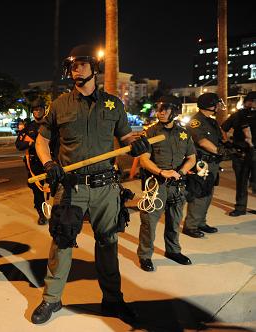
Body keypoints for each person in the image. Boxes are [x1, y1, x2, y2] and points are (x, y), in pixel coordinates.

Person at [31, 44, 150, 324]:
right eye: (72, 65)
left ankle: (112, 300)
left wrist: (137, 144)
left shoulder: (113, 104)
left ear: (93, 68)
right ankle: (52, 300)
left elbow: (126, 137)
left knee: (108, 243)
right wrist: (48, 163)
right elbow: (42, 140)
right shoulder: (60, 104)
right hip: (70, 188)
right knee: (61, 244)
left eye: (81, 64)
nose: (76, 69)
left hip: (106, 188)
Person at [137, 95, 196, 272]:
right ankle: (145, 255)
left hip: (177, 184)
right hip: (156, 184)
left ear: (174, 111)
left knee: (175, 221)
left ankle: (173, 251)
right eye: (158, 108)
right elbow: (144, 160)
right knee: (149, 222)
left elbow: (192, 158)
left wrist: (180, 172)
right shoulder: (151, 132)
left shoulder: (184, 133)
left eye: (165, 109)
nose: (160, 112)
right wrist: (162, 172)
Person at [183, 93, 236, 238]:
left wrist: (230, 146)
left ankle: (201, 222)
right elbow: (202, 141)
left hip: (212, 163)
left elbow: (220, 139)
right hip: (202, 164)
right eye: (216, 104)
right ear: (209, 105)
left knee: (208, 193)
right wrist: (220, 151)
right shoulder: (196, 122)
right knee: (199, 194)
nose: (218, 106)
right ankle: (191, 226)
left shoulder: (211, 121)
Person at [221, 91, 256, 216]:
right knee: (241, 181)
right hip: (240, 153)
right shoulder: (238, 115)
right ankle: (240, 207)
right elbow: (223, 128)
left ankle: (241, 207)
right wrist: (228, 143)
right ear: (249, 101)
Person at [15, 98, 49, 225]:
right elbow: (18, 144)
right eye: (35, 109)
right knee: (37, 191)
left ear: (44, 110)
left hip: (51, 161)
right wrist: (31, 143)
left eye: (40, 109)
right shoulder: (28, 128)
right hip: (35, 164)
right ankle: (42, 214)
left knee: (57, 187)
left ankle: (57, 213)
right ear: (32, 112)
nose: (38, 112)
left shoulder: (51, 125)